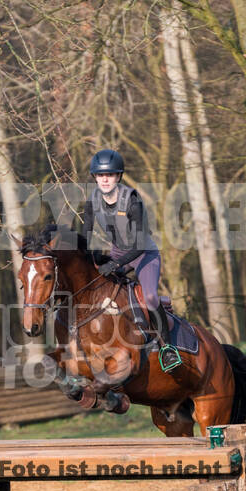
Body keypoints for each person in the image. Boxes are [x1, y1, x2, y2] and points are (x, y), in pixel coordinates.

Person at [82, 148, 181, 372]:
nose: (105, 179)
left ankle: (167, 349)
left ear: (118, 176)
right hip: (118, 253)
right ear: (95, 177)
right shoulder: (92, 202)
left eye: (110, 175)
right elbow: (84, 237)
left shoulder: (132, 201)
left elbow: (137, 246)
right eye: (100, 175)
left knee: (150, 297)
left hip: (144, 254)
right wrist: (87, 257)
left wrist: (115, 265)